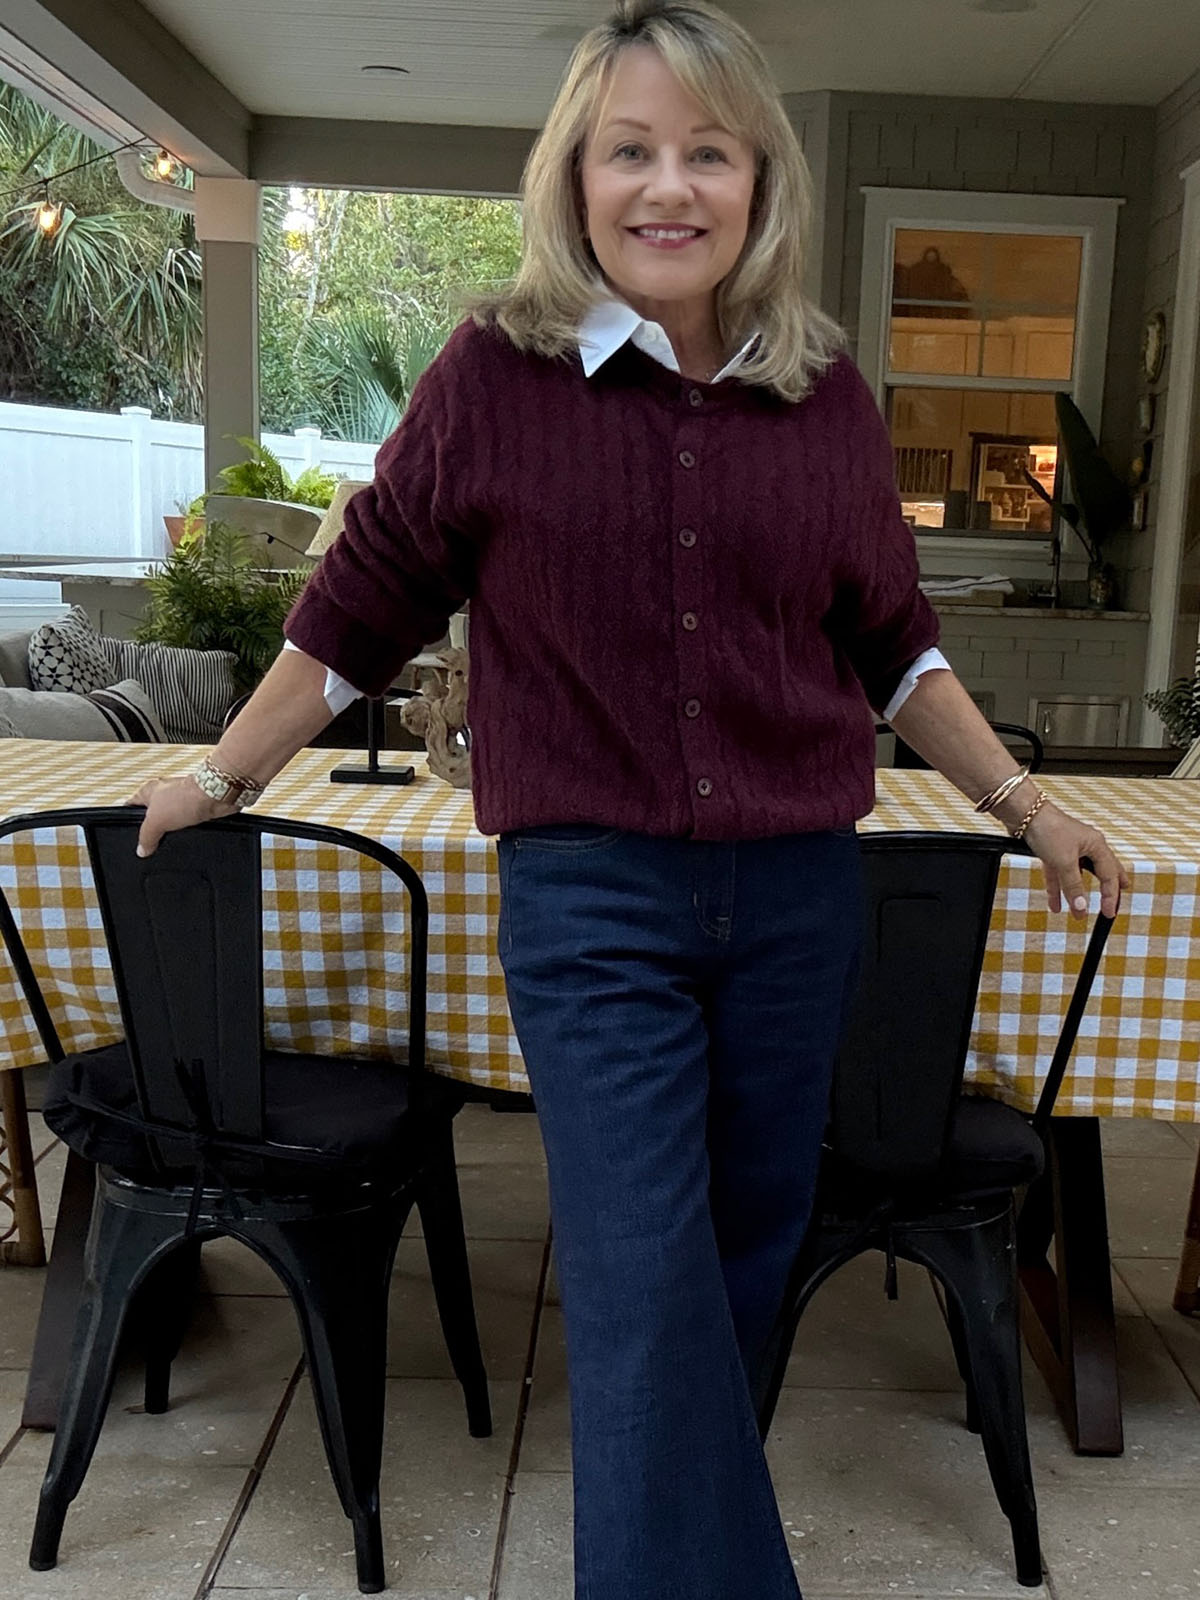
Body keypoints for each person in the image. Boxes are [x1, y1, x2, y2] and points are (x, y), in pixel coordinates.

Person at [133, 4, 1128, 1596]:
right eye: (631, 151)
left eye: (708, 152)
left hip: (798, 901)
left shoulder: (824, 396)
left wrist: (1024, 801)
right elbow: (360, 606)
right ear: (575, 177)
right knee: (642, 1276)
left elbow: (896, 642)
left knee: (737, 1266)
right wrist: (217, 770)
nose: (670, 187)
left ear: (760, 181)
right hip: (593, 902)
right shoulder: (494, 376)